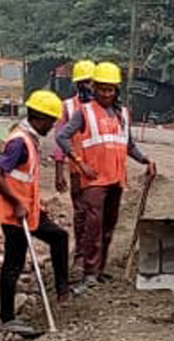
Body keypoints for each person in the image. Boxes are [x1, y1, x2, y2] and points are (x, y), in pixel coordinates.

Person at [56, 62, 157, 292]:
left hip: (116, 179)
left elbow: (128, 145)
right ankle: (89, 273)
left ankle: (99, 270)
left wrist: (146, 160)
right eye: (102, 88)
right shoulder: (85, 111)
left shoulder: (123, 114)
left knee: (109, 226)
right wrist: (79, 162)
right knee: (93, 226)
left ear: (116, 91)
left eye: (110, 89)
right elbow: (62, 138)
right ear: (95, 88)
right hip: (93, 181)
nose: (106, 93)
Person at [0, 90, 70, 336]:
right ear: (41, 118)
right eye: (51, 121)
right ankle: (7, 317)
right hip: (16, 214)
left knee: (59, 237)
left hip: (30, 210)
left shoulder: (30, 139)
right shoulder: (18, 142)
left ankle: (63, 292)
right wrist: (15, 201)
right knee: (13, 263)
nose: (52, 126)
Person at [53, 59, 97, 270]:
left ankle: (94, 254)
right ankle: (80, 253)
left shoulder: (105, 108)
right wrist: (58, 170)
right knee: (81, 212)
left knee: (97, 213)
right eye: (84, 82)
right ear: (78, 84)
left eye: (91, 82)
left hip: (100, 169)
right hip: (77, 168)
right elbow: (60, 139)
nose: (88, 86)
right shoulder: (68, 107)